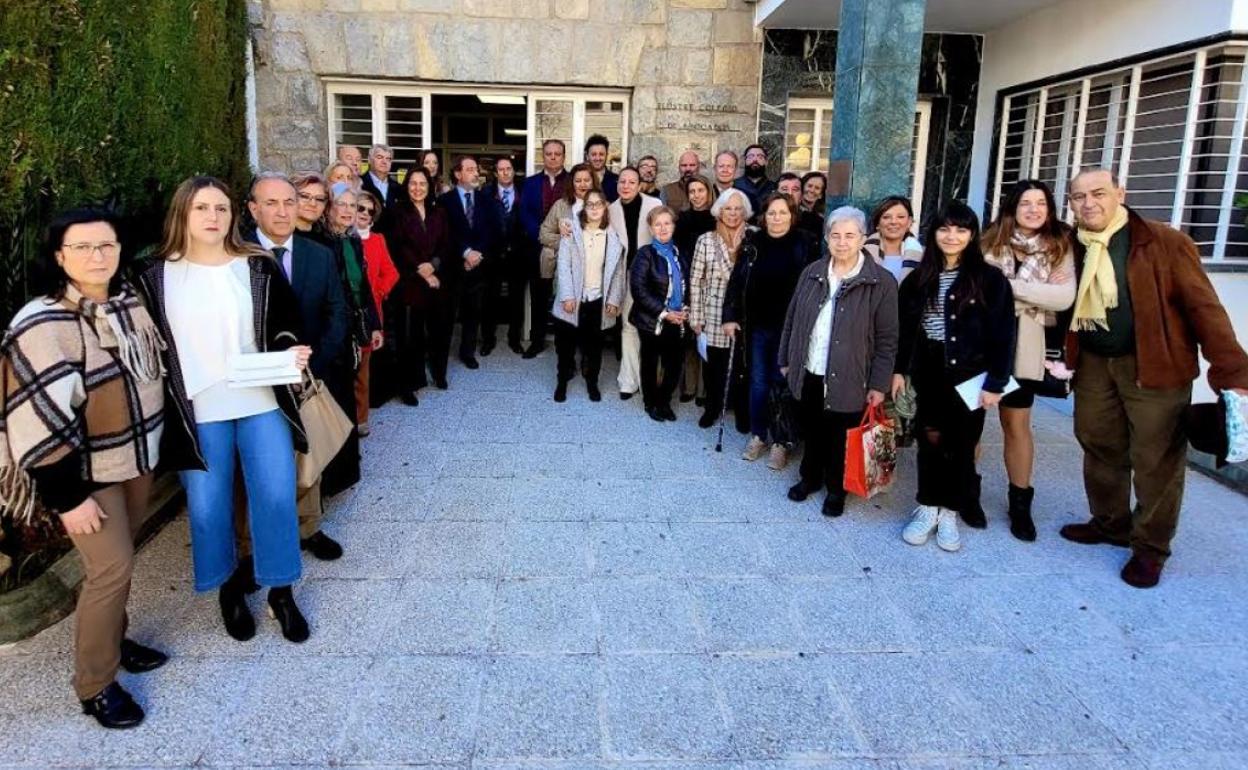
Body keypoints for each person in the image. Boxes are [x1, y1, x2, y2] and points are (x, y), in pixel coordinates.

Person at [0, 208, 168, 728]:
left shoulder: (127, 303)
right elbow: (33, 417)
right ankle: (95, 683)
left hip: (135, 457)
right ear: (59, 256)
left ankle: (115, 640)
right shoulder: (40, 322)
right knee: (110, 568)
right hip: (81, 475)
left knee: (120, 562)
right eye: (83, 247)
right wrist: (66, 499)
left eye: (107, 245)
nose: (98, 256)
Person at [137, 175, 314, 643]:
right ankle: (229, 590)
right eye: (201, 208)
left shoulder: (256, 265)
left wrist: (291, 350)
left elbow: (287, 323)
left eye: (220, 208)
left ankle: (281, 590)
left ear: (234, 215)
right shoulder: (154, 276)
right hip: (198, 411)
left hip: (259, 402)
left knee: (275, 497)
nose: (213, 217)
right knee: (208, 507)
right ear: (182, 214)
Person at [1059, 168, 1248, 588]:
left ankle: (1150, 548)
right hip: (1093, 361)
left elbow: (1205, 308)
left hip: (1155, 366)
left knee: (1156, 458)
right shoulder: (1072, 245)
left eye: (1098, 193)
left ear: (1120, 193)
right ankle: (1110, 523)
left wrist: (1232, 371)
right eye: (1078, 197)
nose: (1089, 203)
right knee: (1098, 442)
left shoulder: (1163, 241)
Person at [893, 201, 1016, 553]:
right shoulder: (918, 279)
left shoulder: (989, 279)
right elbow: (904, 331)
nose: (952, 236)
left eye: (961, 229)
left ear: (972, 234)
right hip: (929, 369)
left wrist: (996, 382)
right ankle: (927, 507)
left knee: (962, 444)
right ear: (933, 232)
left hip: (970, 372)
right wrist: (900, 370)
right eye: (945, 228)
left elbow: (1004, 334)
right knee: (929, 440)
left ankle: (950, 513)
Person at [245, 173, 349, 563]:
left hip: (308, 374)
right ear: (253, 208)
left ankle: (310, 527)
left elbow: (337, 311)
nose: (282, 211)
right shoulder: (237, 257)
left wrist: (316, 363)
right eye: (271, 203)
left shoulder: (318, 254)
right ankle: (257, 540)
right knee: (264, 460)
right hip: (254, 381)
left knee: (309, 453)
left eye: (289, 202)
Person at [779, 206, 899, 517]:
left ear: (862, 238)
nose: (842, 242)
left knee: (840, 436)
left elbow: (887, 340)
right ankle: (809, 478)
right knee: (813, 428)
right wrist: (785, 360)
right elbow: (792, 318)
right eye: (836, 235)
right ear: (827, 238)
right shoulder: (813, 271)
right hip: (810, 368)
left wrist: (878, 384)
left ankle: (836, 489)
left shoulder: (881, 282)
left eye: (849, 235)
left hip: (851, 376)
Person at [981, 179, 1076, 541]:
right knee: (972, 421)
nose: (1033, 209)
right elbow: (977, 289)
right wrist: (1034, 296)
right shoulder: (990, 241)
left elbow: (1062, 297)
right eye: (1025, 203)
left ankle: (1020, 503)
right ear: (1012, 208)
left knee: (1016, 424)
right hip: (983, 345)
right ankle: (966, 492)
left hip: (1027, 348)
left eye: (1041, 203)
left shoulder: (1059, 247)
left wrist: (1006, 288)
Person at [723, 193, 817, 470]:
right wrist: (730, 316)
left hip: (791, 329)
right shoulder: (753, 243)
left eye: (783, 213)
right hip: (758, 326)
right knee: (759, 382)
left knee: (783, 385)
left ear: (792, 215)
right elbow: (737, 282)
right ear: (764, 216)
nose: (777, 218)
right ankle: (758, 435)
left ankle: (781, 441)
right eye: (772, 213)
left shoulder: (805, 243)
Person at [324, 184, 386, 438]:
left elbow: (362, 285)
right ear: (329, 207)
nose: (350, 211)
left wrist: (374, 324)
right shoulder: (322, 241)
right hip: (331, 325)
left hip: (356, 322)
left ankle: (353, 428)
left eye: (354, 205)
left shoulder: (352, 240)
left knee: (358, 376)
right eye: (344, 204)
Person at [552, 189, 626, 403]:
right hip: (573, 299)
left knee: (594, 347)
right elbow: (563, 265)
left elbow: (618, 271)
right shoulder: (572, 232)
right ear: (584, 208)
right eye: (590, 204)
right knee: (565, 346)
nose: (594, 208)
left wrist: (613, 299)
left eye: (598, 204)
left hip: (597, 300)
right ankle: (562, 381)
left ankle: (592, 382)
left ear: (605, 208)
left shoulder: (612, 237)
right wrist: (567, 296)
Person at [386, 167, 452, 402]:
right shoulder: (396, 212)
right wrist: (422, 271)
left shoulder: (439, 212)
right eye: (413, 183)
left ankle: (439, 373)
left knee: (438, 331)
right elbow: (397, 247)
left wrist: (434, 266)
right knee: (409, 336)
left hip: (437, 281)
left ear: (429, 186)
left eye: (422, 183)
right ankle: (408, 385)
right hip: (409, 282)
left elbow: (446, 244)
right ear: (406, 186)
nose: (417, 188)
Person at [690, 188, 753, 429]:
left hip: (743, 314)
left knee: (741, 367)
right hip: (713, 312)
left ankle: (740, 411)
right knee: (714, 366)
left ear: (745, 212)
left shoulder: (754, 237)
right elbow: (696, 280)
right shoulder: (706, 240)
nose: (733, 213)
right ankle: (712, 407)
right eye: (728, 208)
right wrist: (696, 316)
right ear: (719, 211)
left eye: (738, 208)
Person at [437, 155, 503, 370]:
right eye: (471, 169)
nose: (477, 173)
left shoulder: (487, 199)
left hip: (478, 266)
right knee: (447, 314)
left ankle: (468, 352)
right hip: (454, 266)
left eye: (477, 169)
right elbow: (444, 234)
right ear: (458, 174)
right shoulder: (444, 202)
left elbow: (494, 230)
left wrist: (477, 254)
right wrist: (464, 252)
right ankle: (440, 356)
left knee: (473, 312)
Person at [630, 206, 690, 422]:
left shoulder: (679, 253)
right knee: (650, 362)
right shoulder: (645, 254)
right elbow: (639, 290)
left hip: (678, 319)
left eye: (667, 223)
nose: (663, 228)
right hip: (651, 320)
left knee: (674, 364)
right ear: (651, 228)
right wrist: (664, 313)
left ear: (673, 226)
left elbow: (687, 285)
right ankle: (650, 402)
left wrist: (685, 308)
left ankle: (664, 402)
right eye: (658, 224)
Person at [609, 166, 662, 401]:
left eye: (632, 182)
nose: (626, 186)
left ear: (640, 185)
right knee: (628, 327)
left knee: (651, 330)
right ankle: (628, 381)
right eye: (622, 181)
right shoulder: (611, 210)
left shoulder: (654, 206)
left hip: (651, 277)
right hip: (626, 275)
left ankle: (649, 381)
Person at [519, 139, 569, 358]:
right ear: (543, 156)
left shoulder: (572, 181)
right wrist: (542, 234)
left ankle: (564, 343)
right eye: (549, 154)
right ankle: (537, 341)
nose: (553, 157)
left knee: (565, 297)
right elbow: (524, 213)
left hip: (568, 249)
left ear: (563, 156)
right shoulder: (530, 184)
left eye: (557, 154)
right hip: (537, 248)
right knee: (540, 297)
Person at [355, 190, 400, 417]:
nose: (364, 213)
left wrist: (378, 292)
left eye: (369, 211)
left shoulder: (377, 240)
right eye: (360, 207)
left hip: (369, 313)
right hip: (345, 311)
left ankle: (362, 418)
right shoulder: (340, 239)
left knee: (363, 369)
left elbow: (391, 272)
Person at [673, 175, 716, 405]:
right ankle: (689, 386)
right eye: (692, 191)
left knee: (707, 335)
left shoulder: (716, 219)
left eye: (700, 190)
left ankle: (704, 390)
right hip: (687, 279)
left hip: (711, 284)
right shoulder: (683, 219)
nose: (696, 195)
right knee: (690, 335)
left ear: (708, 192)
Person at [481, 156, 522, 355]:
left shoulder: (523, 190)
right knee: (490, 299)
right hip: (493, 254)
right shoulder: (486, 192)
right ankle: (488, 340)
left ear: (514, 171)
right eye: (501, 169)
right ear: (496, 173)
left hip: (517, 253)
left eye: (509, 168)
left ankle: (514, 339)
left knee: (516, 299)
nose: (505, 172)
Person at [540, 164, 599, 295]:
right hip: (566, 271)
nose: (582, 184)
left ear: (593, 182)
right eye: (578, 181)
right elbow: (544, 234)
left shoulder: (604, 206)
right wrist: (565, 240)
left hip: (593, 272)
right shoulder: (561, 205)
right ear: (572, 183)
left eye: (587, 180)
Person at [863, 196, 923, 283]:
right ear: (877, 224)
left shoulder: (923, 256)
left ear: (909, 222)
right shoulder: (861, 254)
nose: (893, 222)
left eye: (900, 217)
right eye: (886, 217)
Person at [360, 144, 401, 225]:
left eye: (388, 159)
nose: (384, 162)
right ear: (369, 159)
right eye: (379, 157)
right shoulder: (359, 183)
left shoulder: (398, 188)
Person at [734, 144, 777, 214]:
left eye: (760, 157)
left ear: (766, 162)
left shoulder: (774, 187)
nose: (755, 159)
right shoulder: (734, 186)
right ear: (745, 161)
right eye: (751, 156)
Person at [584, 134, 619, 202]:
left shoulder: (617, 180)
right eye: (594, 154)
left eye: (601, 154)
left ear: (607, 155)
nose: (598, 158)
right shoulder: (579, 180)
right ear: (587, 156)